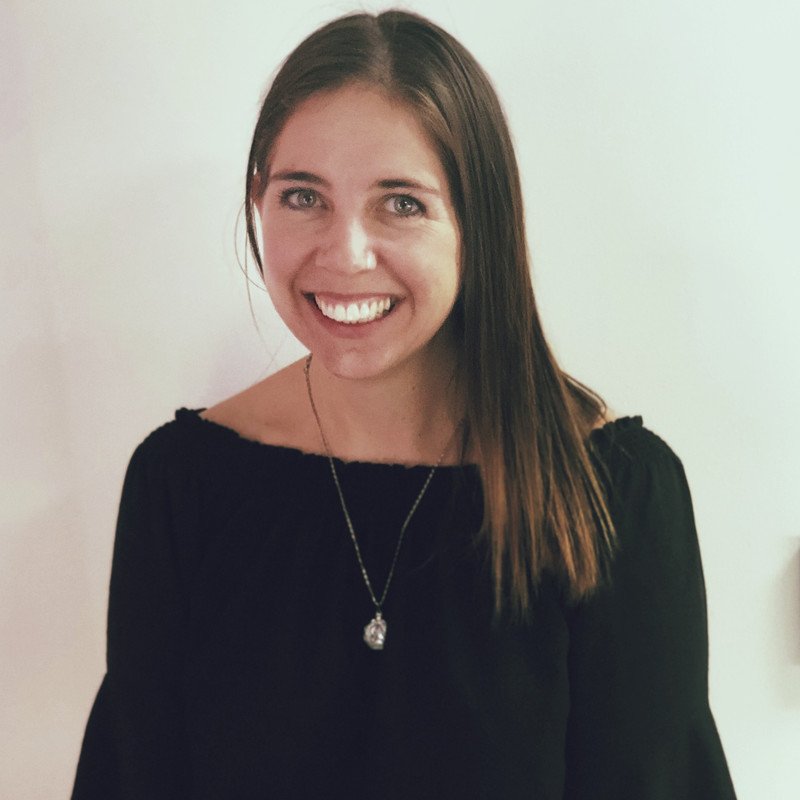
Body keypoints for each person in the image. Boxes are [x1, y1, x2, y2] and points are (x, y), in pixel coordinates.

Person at [71, 9, 737, 799]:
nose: (345, 254)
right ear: (259, 200)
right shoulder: (182, 488)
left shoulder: (612, 498)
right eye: (302, 197)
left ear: (476, 222)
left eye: (402, 203)